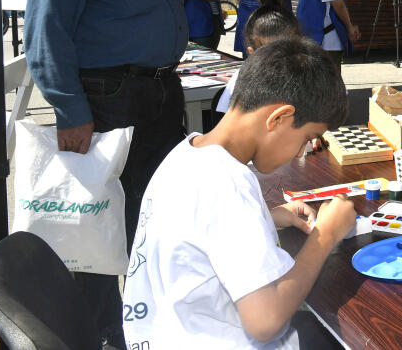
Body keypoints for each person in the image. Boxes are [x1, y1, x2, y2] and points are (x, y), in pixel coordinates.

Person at [24, 0, 188, 348]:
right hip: (108, 100)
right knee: (98, 229)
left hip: (159, 95)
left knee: (156, 214)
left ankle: (150, 323)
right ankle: (104, 336)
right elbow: (45, 33)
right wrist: (71, 112)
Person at [122, 38, 355, 348]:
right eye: (306, 138)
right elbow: (265, 322)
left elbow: (196, 233)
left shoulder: (186, 153)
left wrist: (264, 219)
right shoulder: (227, 183)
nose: (301, 150)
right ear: (279, 118)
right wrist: (325, 235)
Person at [216, 0, 301, 114]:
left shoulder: (304, 77)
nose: (282, 61)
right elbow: (226, 121)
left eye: (289, 51)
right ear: (253, 53)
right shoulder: (243, 81)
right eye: (272, 54)